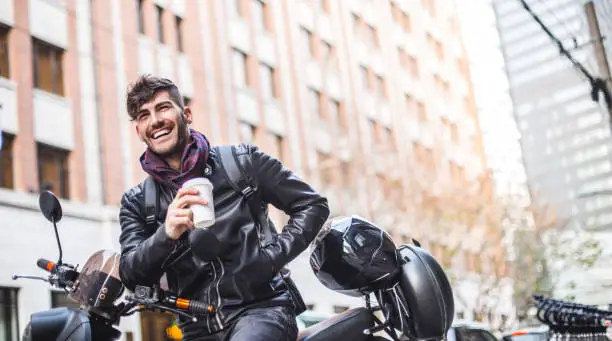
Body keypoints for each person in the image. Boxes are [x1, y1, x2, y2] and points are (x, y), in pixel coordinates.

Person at [118, 75, 330, 341]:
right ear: (139, 130)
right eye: (143, 115)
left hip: (262, 311)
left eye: (163, 108)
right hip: (194, 327)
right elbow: (130, 273)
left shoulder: (241, 162)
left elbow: (312, 205)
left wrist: (270, 259)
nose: (155, 121)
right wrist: (166, 233)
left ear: (186, 114)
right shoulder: (137, 202)